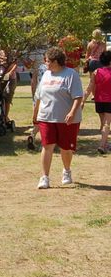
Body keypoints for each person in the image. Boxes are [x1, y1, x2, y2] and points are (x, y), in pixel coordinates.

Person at [33, 47, 83, 189]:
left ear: (55, 61)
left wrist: (72, 112)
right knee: (47, 146)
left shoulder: (70, 74)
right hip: (46, 117)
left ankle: (66, 171)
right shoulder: (46, 75)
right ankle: (44, 178)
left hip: (66, 119)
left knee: (66, 148)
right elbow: (38, 96)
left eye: (47, 61)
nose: (45, 63)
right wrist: (35, 113)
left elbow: (78, 96)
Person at [82, 50, 111, 154]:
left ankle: (105, 143)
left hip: (99, 100)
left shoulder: (96, 72)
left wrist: (83, 100)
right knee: (107, 124)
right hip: (109, 101)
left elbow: (90, 87)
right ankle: (102, 145)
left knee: (103, 123)